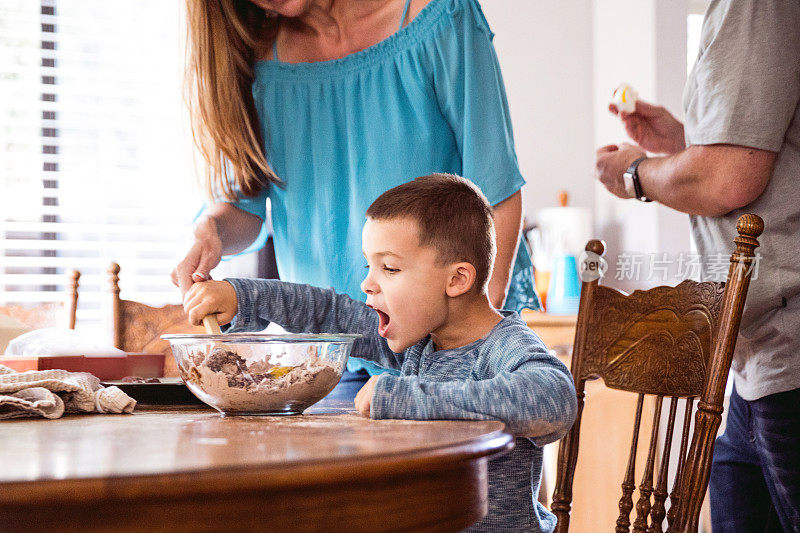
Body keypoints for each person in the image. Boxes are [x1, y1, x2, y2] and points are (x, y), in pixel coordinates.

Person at [172, 0, 541, 397]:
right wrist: (210, 232)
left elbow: (497, 192)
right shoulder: (252, 61)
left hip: (449, 343)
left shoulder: (442, 17)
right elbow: (243, 210)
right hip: (332, 358)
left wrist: (467, 348)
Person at [183, 174, 577, 532]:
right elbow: (328, 311)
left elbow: (553, 398)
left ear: (456, 279)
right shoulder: (421, 340)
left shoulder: (503, 345)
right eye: (369, 265)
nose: (367, 283)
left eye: (389, 268)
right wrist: (242, 295)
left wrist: (404, 397)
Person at [593, 2, 800, 531]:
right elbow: (753, 157)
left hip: (787, 351)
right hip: (755, 361)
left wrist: (636, 174)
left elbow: (729, 178)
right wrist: (684, 141)